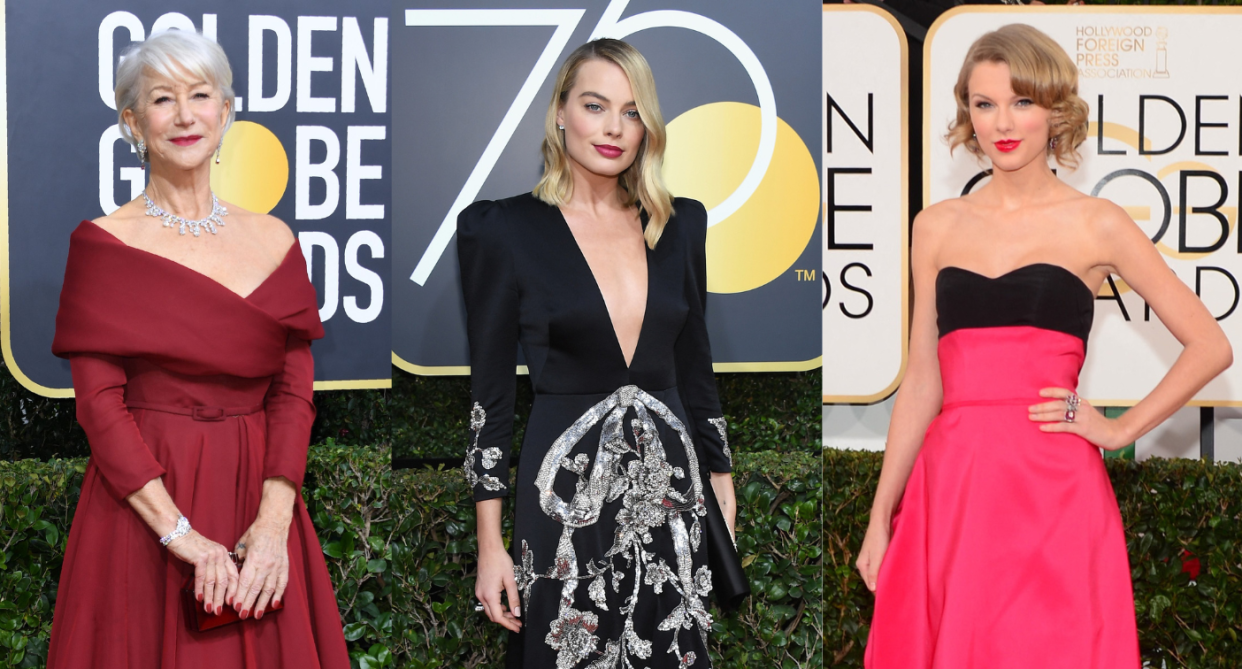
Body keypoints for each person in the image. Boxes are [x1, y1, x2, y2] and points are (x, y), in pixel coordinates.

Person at [856, 24, 1231, 668]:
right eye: (984, 104)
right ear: (966, 115)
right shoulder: (936, 226)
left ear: (1055, 110)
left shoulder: (1098, 223)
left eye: (1021, 101)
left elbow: (1210, 345)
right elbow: (922, 379)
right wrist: (879, 514)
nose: (1002, 121)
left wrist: (1118, 429)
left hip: (1053, 491)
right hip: (954, 488)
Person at [47, 30, 349, 667]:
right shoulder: (103, 246)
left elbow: (294, 393)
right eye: (162, 99)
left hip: (257, 503)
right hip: (144, 511)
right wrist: (179, 534)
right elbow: (100, 409)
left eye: (201, 95)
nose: (185, 115)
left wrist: (273, 525)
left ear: (227, 111)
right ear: (133, 121)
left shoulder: (274, 239)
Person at [460, 39, 740, 668]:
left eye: (633, 111)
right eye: (595, 105)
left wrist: (719, 475)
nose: (614, 127)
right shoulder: (502, 230)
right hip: (564, 490)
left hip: (668, 490)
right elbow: (490, 396)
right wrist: (490, 544)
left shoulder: (679, 225)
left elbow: (696, 367)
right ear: (560, 112)